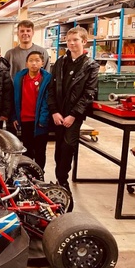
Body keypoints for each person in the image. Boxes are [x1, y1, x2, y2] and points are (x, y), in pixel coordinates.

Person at [48, 26, 99, 191]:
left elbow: (89, 93)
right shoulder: (60, 63)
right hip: (58, 113)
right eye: (69, 41)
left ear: (84, 41)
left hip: (73, 115)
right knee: (58, 148)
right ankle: (59, 178)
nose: (71, 43)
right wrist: (54, 111)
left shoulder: (91, 66)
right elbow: (51, 89)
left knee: (68, 146)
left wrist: (73, 115)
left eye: (75, 40)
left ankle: (63, 181)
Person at [12, 51, 51, 170]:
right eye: (31, 61)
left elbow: (47, 101)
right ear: (26, 63)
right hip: (25, 120)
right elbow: (15, 98)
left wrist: (43, 119)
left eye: (37, 60)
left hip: (40, 121)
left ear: (42, 63)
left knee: (40, 150)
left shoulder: (46, 79)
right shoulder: (20, 78)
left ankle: (40, 174)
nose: (34, 63)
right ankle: (28, 174)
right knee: (27, 149)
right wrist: (14, 116)